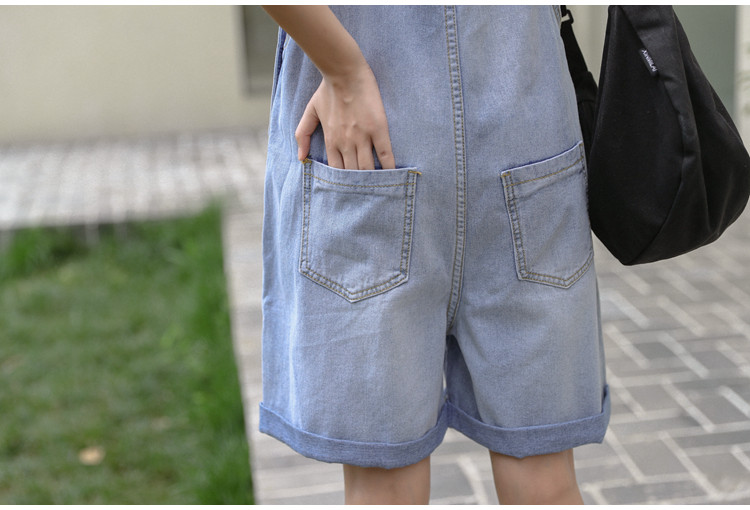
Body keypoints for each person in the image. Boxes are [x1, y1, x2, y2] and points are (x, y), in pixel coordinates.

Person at [259, 5, 610, 504]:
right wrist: (341, 72)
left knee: (401, 481)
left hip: (392, 124)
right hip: (505, 115)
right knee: (533, 476)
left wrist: (343, 71)